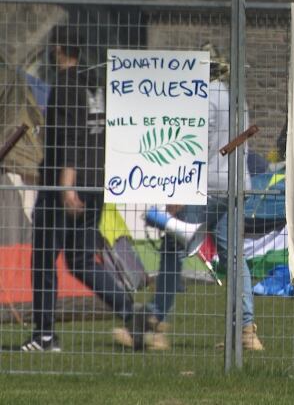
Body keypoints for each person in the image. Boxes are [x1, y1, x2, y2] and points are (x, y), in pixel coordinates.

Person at [21, 25, 151, 352]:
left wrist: (65, 187)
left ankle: (45, 336)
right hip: (95, 182)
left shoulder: (64, 84)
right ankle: (128, 310)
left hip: (67, 187)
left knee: (43, 258)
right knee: (80, 258)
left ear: (58, 49)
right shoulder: (95, 85)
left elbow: (72, 138)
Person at [137, 43, 264, 351]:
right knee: (234, 257)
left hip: (205, 186)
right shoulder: (238, 100)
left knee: (172, 249)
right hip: (235, 186)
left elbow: (196, 147)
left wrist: (180, 191)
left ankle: (156, 322)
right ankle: (247, 330)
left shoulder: (203, 98)